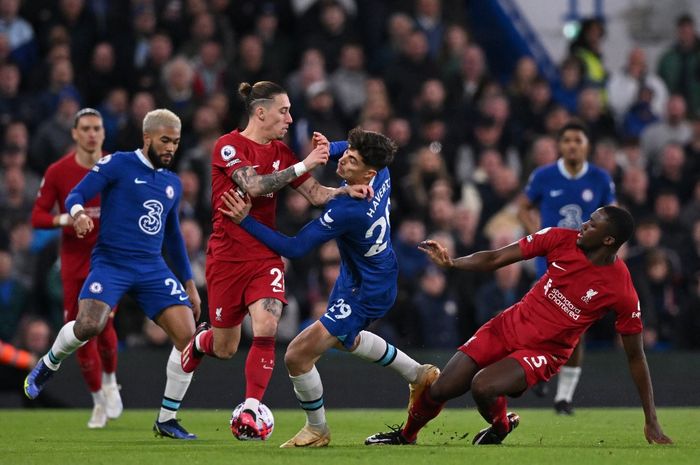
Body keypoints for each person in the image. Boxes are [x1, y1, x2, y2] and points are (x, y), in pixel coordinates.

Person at [365, 206, 672, 446]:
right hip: (507, 325)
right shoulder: (558, 238)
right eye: (587, 220)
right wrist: (453, 263)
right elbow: (497, 257)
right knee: (442, 387)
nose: (583, 225)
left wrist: (651, 419)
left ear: (609, 240)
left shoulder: (621, 289)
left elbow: (635, 356)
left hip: (545, 351)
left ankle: (498, 427)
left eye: (592, 225)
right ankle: (406, 436)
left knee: (482, 386)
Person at [218, 127, 439, 448]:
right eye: (345, 153)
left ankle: (317, 429)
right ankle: (418, 375)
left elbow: (294, 248)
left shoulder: (347, 210)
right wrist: (328, 148)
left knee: (296, 355)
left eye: (352, 160)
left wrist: (246, 221)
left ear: (368, 173)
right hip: (365, 275)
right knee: (347, 340)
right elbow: (351, 150)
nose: (344, 159)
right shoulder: (383, 172)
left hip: (365, 291)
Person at [180, 81, 370, 439]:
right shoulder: (228, 146)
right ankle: (203, 341)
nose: (290, 118)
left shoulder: (282, 151)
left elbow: (314, 194)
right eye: (284, 111)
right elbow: (253, 186)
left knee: (267, 325)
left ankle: (252, 407)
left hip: (264, 253)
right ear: (261, 112)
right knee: (225, 347)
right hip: (225, 258)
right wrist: (304, 164)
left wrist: (344, 190)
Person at [24, 109, 202, 440]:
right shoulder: (118, 163)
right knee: (90, 324)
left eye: (175, 142)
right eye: (165, 141)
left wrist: (189, 283)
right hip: (112, 262)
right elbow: (76, 194)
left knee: (188, 338)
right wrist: (75, 215)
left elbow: (174, 236)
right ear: (147, 137)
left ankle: (167, 419)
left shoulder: (172, 183)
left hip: (151, 266)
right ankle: (48, 363)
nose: (170, 148)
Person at [30, 108, 123, 429]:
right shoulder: (58, 171)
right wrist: (65, 218)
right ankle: (98, 400)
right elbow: (38, 216)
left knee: (105, 326)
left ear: (103, 132)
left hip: (109, 258)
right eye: (85, 128)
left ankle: (111, 381)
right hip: (73, 261)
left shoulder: (116, 166)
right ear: (74, 133)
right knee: (80, 332)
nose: (92, 134)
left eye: (97, 128)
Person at [517, 121, 615, 414]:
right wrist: (540, 236)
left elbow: (613, 215)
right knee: (541, 321)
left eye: (578, 140)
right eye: (567, 140)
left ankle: (563, 398)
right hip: (550, 261)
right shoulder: (544, 175)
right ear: (560, 145)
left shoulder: (600, 178)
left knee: (576, 327)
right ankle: (537, 369)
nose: (572, 145)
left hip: (586, 264)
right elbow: (523, 206)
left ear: (587, 145)